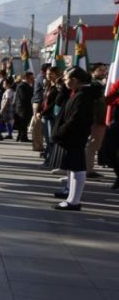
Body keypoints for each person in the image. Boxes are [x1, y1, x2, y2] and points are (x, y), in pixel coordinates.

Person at [49, 67, 98, 210]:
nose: (64, 81)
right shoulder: (78, 93)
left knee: (77, 167)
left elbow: (76, 119)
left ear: (75, 80)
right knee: (73, 167)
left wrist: (61, 131)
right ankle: (71, 198)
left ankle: (74, 201)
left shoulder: (83, 96)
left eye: (66, 78)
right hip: (72, 136)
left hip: (75, 136)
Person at [13, 70, 34, 142]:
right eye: (31, 78)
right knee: (23, 123)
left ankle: (22, 136)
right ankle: (22, 137)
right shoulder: (22, 86)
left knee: (24, 123)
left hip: (25, 108)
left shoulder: (27, 86)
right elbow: (23, 97)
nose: (32, 80)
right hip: (23, 108)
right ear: (26, 78)